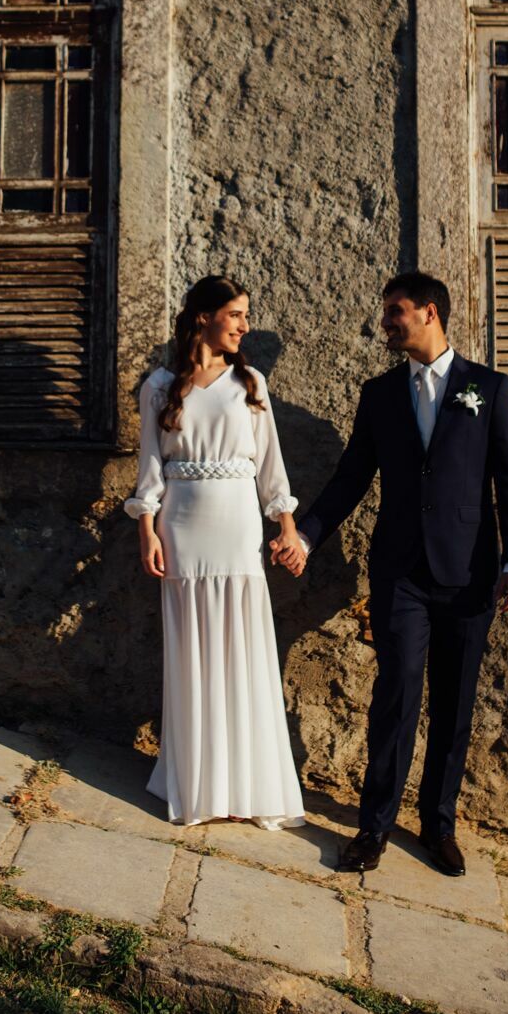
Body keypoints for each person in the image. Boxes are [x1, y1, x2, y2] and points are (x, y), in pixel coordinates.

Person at [280, 269, 508, 876]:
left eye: (395, 310)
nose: (386, 321)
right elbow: (350, 478)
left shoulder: (488, 390)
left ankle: (439, 826)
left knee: (454, 703)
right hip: (401, 574)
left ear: (428, 312)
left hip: (471, 574)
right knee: (394, 696)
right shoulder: (380, 395)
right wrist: (309, 535)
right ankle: (374, 827)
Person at [125, 275, 308, 829]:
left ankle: (249, 786)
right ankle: (198, 785)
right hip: (182, 530)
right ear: (203, 316)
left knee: (242, 655)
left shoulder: (251, 382)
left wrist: (287, 527)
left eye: (245, 315)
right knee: (192, 658)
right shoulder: (159, 386)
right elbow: (150, 469)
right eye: (235, 313)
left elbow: (270, 465)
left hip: (237, 532)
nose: (244, 325)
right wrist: (147, 530)